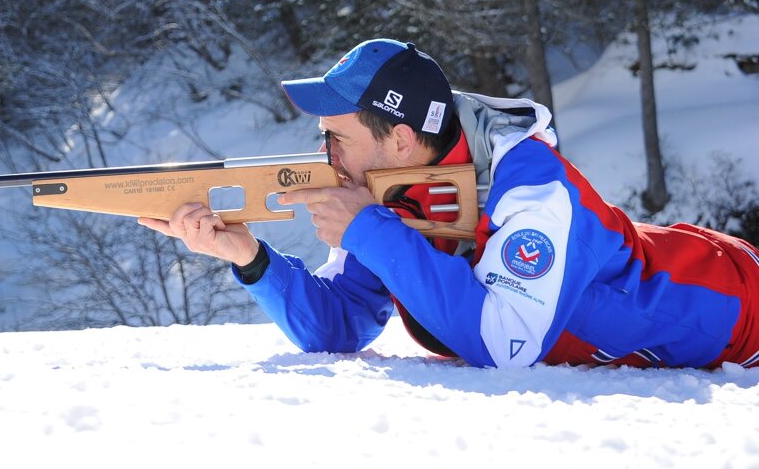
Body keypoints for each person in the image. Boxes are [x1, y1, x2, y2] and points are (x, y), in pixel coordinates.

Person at [139, 38, 759, 369]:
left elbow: (506, 346)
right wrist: (249, 257)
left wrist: (371, 232)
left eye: (337, 138)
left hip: (738, 310)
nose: (325, 155)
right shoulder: (401, 192)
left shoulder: (534, 189)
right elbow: (339, 325)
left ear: (402, 139)